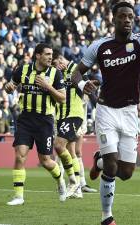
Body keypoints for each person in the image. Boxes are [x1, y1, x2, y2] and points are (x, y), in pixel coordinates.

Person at [70, 2, 140, 224]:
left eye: (130, 16)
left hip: (130, 112)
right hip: (106, 110)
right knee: (112, 164)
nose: (127, 20)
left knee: (126, 172)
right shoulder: (100, 46)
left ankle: (98, 161)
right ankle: (106, 217)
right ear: (114, 19)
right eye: (122, 16)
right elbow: (76, 73)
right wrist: (83, 86)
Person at [4, 43, 66, 206]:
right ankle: (18, 196)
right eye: (47, 54)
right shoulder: (22, 70)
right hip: (25, 119)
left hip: (45, 121)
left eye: (51, 54)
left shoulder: (55, 73)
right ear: (37, 55)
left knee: (46, 161)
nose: (50, 57)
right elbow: (11, 85)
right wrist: (9, 87)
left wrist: (48, 87)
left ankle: (60, 181)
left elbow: (62, 97)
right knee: (19, 155)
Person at [52, 50, 85, 199]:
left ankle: (74, 182)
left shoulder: (76, 70)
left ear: (60, 59)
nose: (55, 67)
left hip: (73, 114)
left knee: (59, 145)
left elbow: (87, 87)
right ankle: (77, 188)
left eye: (55, 63)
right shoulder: (56, 74)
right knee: (71, 151)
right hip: (61, 116)